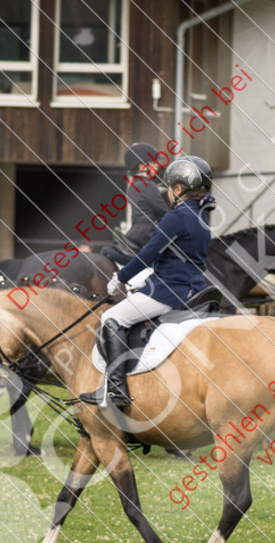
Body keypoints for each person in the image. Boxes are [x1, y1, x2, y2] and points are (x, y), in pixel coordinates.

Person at [82, 158, 215, 409]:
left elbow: (147, 255)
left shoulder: (176, 217)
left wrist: (120, 278)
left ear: (178, 189)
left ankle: (115, 389)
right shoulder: (202, 216)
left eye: (171, 189)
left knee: (111, 318)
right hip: (194, 287)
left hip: (169, 291)